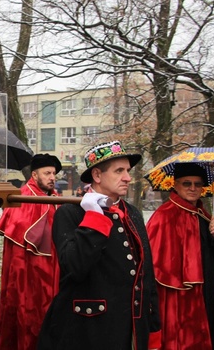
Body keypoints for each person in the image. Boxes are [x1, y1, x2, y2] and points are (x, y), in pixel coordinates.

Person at [37, 141, 161, 350]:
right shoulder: (70, 213)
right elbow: (74, 266)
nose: (128, 178)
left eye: (128, 171)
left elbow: (146, 273)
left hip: (130, 329)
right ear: (97, 175)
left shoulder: (133, 213)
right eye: (119, 171)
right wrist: (94, 218)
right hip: (87, 332)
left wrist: (153, 325)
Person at [146, 162, 214, 350]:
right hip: (177, 297)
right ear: (175, 185)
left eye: (198, 184)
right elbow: (153, 263)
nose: (193, 188)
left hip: (206, 290)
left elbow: (213, 256)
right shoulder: (164, 216)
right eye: (187, 183)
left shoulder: (203, 215)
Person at [0, 153, 62, 350]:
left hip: (54, 273)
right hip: (29, 276)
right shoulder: (22, 197)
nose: (52, 177)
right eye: (47, 173)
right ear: (34, 174)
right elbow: (17, 251)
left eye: (54, 174)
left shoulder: (56, 198)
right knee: (28, 318)